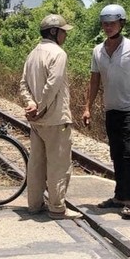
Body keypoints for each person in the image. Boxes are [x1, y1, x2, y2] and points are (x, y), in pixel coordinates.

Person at [82, 4, 130, 220]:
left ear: (121, 23)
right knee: (117, 155)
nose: (108, 27)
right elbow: (94, 81)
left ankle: (129, 201)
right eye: (105, 24)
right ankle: (118, 196)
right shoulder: (98, 50)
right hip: (111, 109)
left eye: (112, 23)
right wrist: (87, 107)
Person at [20, 14, 81, 220]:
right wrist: (41, 108)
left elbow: (23, 84)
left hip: (37, 121)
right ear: (54, 32)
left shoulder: (33, 54)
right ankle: (57, 208)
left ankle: (34, 205)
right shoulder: (58, 54)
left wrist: (30, 105)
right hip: (55, 118)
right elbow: (52, 86)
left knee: (36, 163)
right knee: (58, 164)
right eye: (63, 31)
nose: (65, 35)